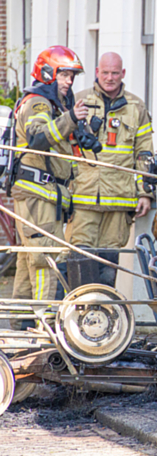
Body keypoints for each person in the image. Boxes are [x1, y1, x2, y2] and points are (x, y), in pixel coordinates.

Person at [10, 46, 88, 330]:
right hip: (38, 196)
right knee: (45, 261)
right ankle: (44, 329)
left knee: (27, 261)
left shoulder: (54, 105)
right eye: (64, 74)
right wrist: (71, 120)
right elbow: (38, 139)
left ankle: (19, 327)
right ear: (47, 74)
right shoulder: (39, 103)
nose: (69, 81)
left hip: (44, 197)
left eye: (71, 75)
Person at [67, 52, 154, 287]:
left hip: (119, 199)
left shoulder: (136, 107)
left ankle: (105, 315)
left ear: (123, 74)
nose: (110, 77)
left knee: (108, 260)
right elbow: (64, 148)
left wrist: (145, 192)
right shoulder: (79, 101)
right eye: (105, 72)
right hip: (83, 197)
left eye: (115, 73)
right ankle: (80, 312)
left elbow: (144, 153)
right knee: (80, 256)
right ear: (97, 72)